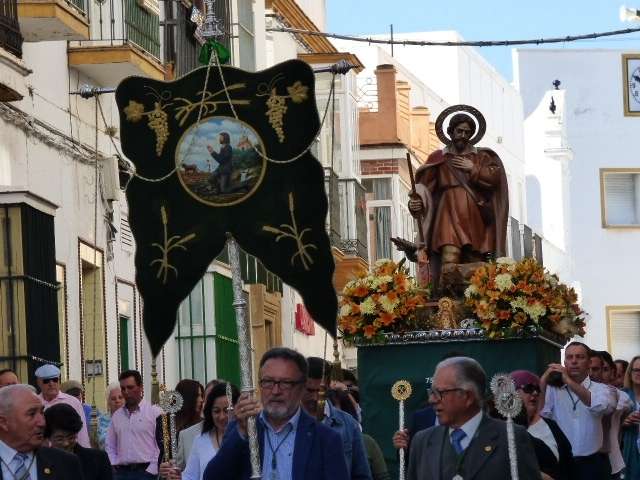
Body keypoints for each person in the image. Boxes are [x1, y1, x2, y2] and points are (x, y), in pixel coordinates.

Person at [203, 347, 349, 480]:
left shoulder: (326, 439)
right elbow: (212, 477)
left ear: (302, 387)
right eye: (268, 382)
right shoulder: (242, 429)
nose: (275, 391)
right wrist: (241, 433)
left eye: (285, 383)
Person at [398, 112, 509, 288]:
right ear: (450, 132)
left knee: (474, 259)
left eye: (467, 132)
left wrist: (473, 168)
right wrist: (416, 204)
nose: (463, 135)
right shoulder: (439, 158)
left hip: (474, 215)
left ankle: (475, 296)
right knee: (449, 257)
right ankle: (446, 298)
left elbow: (494, 179)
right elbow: (424, 190)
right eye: (459, 131)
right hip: (447, 214)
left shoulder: (481, 157)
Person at [407, 357, 540, 479]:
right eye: (431, 392)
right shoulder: (422, 441)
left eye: (440, 393)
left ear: (467, 397)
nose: (432, 400)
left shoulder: (511, 437)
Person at [539, 342, 616, 479]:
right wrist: (542, 383)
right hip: (562, 462)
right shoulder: (554, 389)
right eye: (569, 357)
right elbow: (541, 417)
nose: (574, 361)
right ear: (564, 362)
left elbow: (600, 407)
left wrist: (568, 381)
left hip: (592, 463)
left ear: (589, 363)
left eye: (580, 357)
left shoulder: (602, 389)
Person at [302, 357, 371, 480]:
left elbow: (361, 474)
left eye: (321, 390)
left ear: (329, 385)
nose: (315, 397)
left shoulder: (348, 424)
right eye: (309, 390)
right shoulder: (287, 421)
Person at [0, 384, 84, 479]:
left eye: (41, 412)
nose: (42, 423)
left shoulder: (66, 463)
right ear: (3, 422)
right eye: (31, 414)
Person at [161, 382, 240, 480]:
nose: (222, 417)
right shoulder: (200, 441)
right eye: (216, 411)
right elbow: (190, 476)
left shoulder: (246, 438)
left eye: (227, 410)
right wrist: (178, 477)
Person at [511, 370, 573, 480]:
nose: (535, 393)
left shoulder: (551, 425)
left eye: (537, 389)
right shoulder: (503, 428)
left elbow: (568, 464)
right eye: (529, 388)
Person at [106, 370, 163, 479]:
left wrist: (151, 470)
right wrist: (113, 463)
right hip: (121, 472)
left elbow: (160, 445)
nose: (126, 392)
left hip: (146, 471)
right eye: (123, 388)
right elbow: (110, 444)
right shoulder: (117, 416)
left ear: (140, 387)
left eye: (130, 387)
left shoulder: (154, 412)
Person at [43, 403, 112, 480]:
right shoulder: (42, 463)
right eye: (60, 439)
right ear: (49, 438)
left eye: (71, 437)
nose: (66, 443)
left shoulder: (98, 459)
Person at [34, 364, 91, 448]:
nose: (51, 384)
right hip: (44, 451)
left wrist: (84, 452)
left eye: (55, 380)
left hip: (69, 449)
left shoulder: (72, 402)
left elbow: (82, 432)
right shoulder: (34, 403)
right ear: (39, 383)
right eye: (46, 381)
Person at [622, 355, 640, 480]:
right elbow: (610, 426)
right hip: (629, 449)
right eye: (636, 370)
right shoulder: (622, 395)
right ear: (630, 372)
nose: (639, 373)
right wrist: (624, 422)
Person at [96, 382, 125, 451]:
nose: (117, 401)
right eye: (113, 399)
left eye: (120, 397)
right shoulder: (99, 421)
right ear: (108, 402)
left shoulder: (132, 419)